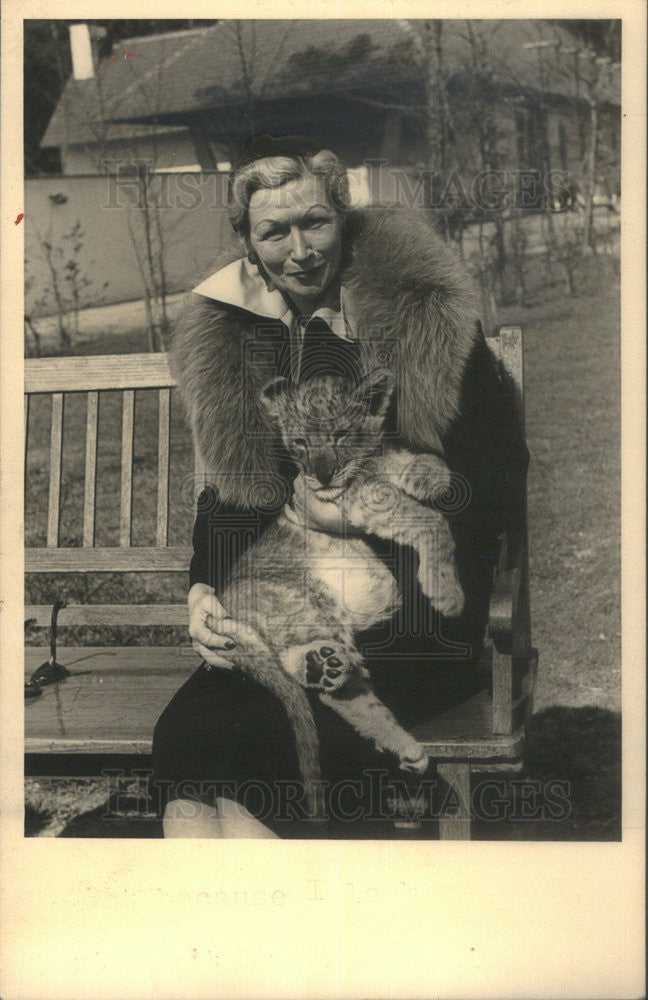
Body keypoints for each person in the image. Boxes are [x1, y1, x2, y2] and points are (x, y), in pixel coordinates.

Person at [152, 134, 527, 838]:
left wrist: (364, 515)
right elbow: (232, 494)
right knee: (186, 737)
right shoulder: (235, 333)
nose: (300, 250)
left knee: (251, 741)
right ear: (248, 241)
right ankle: (213, 940)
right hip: (293, 599)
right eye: (275, 232)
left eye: (315, 223)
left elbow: (492, 483)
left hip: (417, 609)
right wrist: (204, 587)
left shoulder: (420, 317)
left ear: (343, 219)